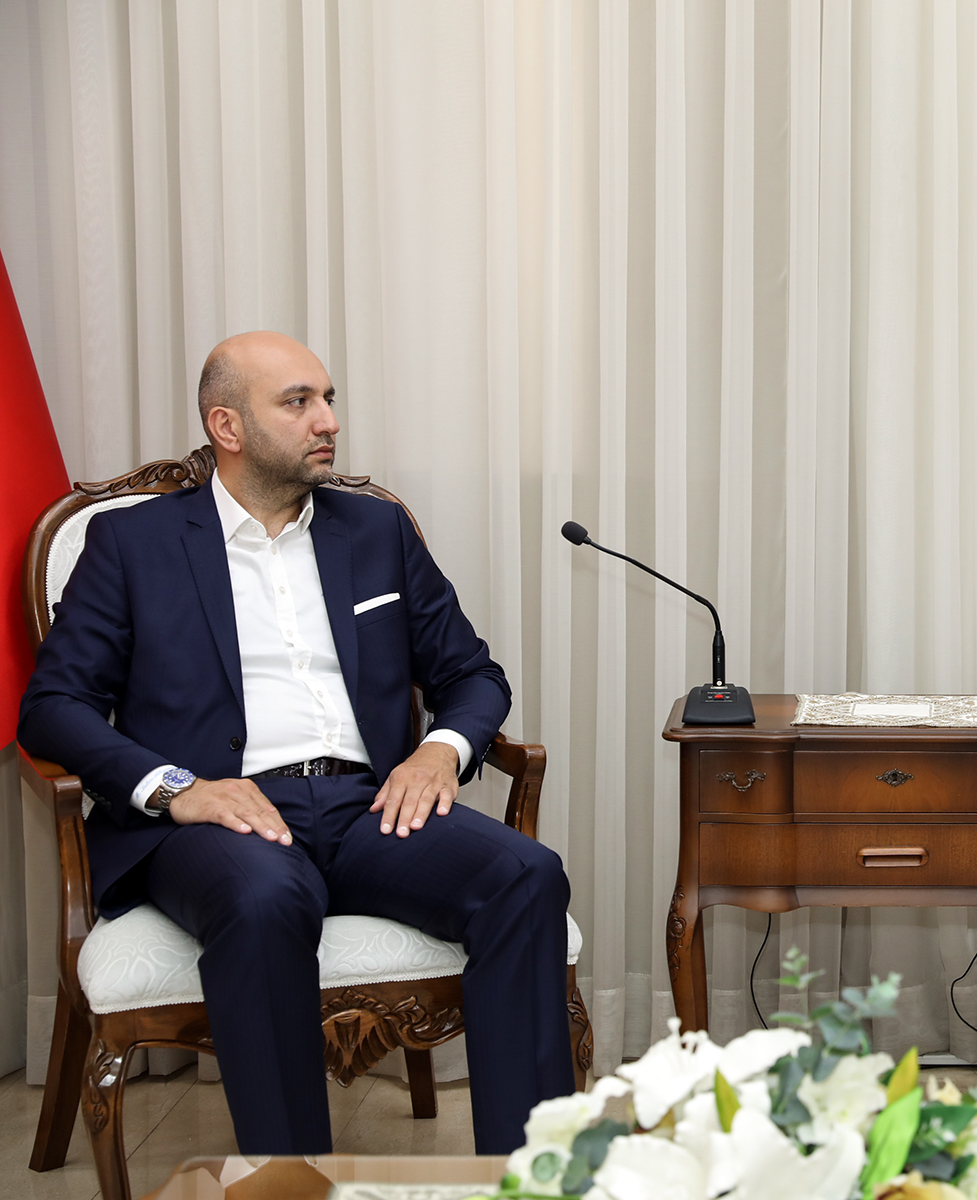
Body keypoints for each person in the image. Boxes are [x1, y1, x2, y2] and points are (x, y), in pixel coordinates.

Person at [19, 331, 574, 1156]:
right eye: (298, 402)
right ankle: (291, 1180)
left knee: (527, 876)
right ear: (227, 426)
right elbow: (53, 708)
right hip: (222, 817)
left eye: (328, 399)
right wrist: (178, 788)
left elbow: (472, 675)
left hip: (365, 807)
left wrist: (440, 751)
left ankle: (532, 1173)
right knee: (264, 899)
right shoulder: (134, 545)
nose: (328, 421)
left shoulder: (376, 532)